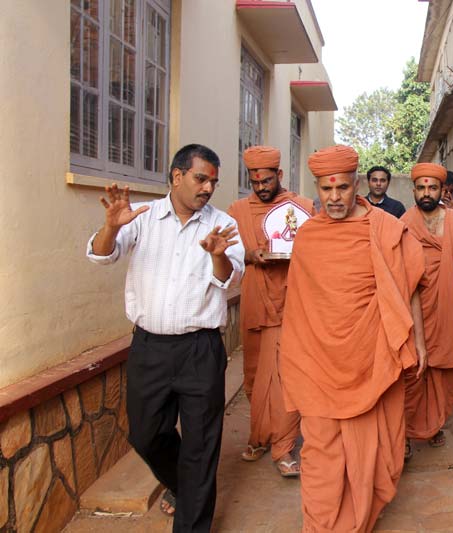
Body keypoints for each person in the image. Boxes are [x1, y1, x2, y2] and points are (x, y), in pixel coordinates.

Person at [86, 144, 244, 532]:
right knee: (146, 435)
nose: (208, 188)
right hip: (149, 349)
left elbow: (228, 278)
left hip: (200, 349)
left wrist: (217, 254)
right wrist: (112, 227)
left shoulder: (222, 224)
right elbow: (101, 256)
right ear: (177, 176)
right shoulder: (142, 217)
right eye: (201, 179)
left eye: (213, 182)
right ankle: (184, 486)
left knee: (201, 445)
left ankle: (192, 521)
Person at [279, 145, 426, 533]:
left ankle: (357, 518)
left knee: (372, 450)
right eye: (326, 189)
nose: (334, 197)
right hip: (317, 361)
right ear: (316, 188)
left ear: (356, 183)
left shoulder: (385, 228)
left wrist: (419, 341)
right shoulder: (308, 235)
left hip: (371, 355)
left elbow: (409, 285)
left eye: (342, 188)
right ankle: (321, 526)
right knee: (319, 450)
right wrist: (295, 353)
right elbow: (300, 302)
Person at [227, 146, 314, 475]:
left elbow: (317, 248)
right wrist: (249, 255)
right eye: (255, 182)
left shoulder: (302, 207)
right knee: (255, 375)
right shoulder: (236, 211)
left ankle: (283, 446)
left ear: (279, 175)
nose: (261, 187)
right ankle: (260, 435)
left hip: (293, 302)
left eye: (266, 181)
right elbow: (228, 254)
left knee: (286, 377)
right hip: (255, 302)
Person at [400, 162, 453, 457]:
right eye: (421, 188)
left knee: (445, 372)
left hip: (449, 307)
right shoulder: (404, 223)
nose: (426, 193)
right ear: (414, 190)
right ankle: (407, 432)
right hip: (414, 308)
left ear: (443, 190)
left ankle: (433, 424)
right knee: (413, 371)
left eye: (432, 188)